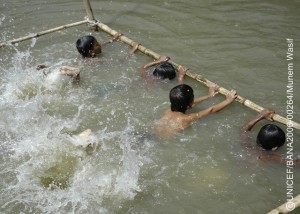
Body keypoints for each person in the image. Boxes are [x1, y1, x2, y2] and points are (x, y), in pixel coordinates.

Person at [153, 83, 237, 138]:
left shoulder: (166, 111)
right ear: (190, 102)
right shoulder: (187, 118)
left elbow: (189, 104)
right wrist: (228, 100)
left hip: (152, 136)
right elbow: (211, 110)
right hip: (164, 142)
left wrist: (209, 96)